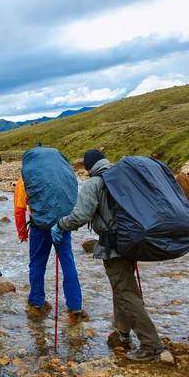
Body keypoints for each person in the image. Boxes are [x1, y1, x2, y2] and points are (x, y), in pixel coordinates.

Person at [51, 150, 165, 361]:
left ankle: (152, 346)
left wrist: (60, 225)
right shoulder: (123, 176)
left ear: (89, 168)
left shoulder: (94, 184)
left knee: (126, 292)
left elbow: (81, 215)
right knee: (122, 288)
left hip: (113, 246)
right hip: (134, 241)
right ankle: (123, 334)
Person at [14, 176, 85, 318]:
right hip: (62, 224)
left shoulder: (26, 178)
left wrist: (22, 232)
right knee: (67, 262)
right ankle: (75, 304)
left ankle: (37, 300)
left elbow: (19, 207)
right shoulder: (61, 175)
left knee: (37, 263)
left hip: (39, 226)